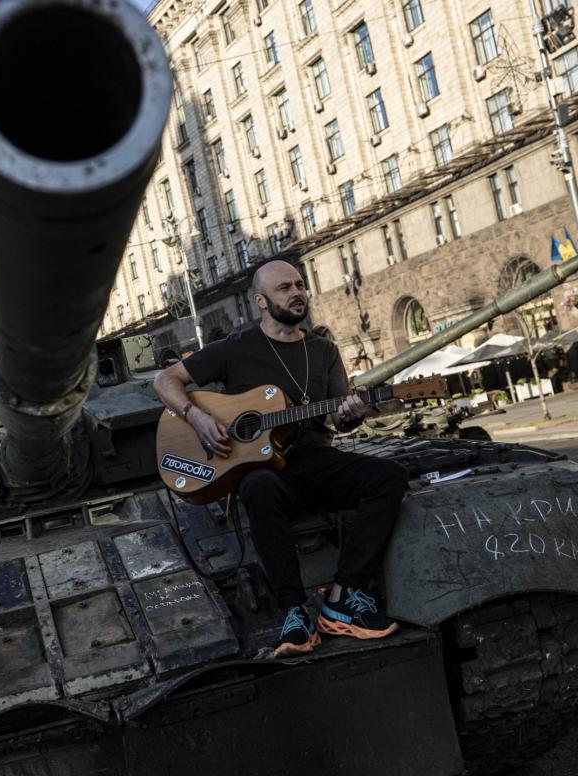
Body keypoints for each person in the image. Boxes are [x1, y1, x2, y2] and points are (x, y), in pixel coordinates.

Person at [153, 260, 409, 658]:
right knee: (257, 486)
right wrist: (198, 417)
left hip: (316, 461)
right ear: (260, 300)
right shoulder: (236, 348)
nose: (297, 293)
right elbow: (165, 380)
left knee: (389, 477)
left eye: (300, 285)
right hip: (264, 472)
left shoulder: (323, 350)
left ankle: (345, 594)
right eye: (285, 288)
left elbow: (341, 420)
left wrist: (352, 415)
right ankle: (293, 610)